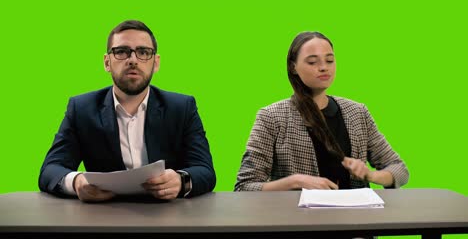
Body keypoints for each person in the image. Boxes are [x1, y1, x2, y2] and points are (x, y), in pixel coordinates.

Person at [39, 20, 216, 202]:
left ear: (156, 63)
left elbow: (205, 170)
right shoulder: (81, 108)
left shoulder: (182, 107)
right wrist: (77, 182)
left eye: (143, 52)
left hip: (168, 219)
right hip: (102, 217)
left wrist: (181, 180)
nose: (133, 60)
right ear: (107, 62)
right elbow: (50, 169)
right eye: (122, 51)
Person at [235, 31, 409, 191]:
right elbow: (245, 186)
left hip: (356, 219)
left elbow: (399, 169)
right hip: (299, 221)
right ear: (293, 67)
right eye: (312, 62)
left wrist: (371, 175)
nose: (323, 67)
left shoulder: (357, 112)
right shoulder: (271, 117)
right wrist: (295, 181)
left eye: (329, 60)